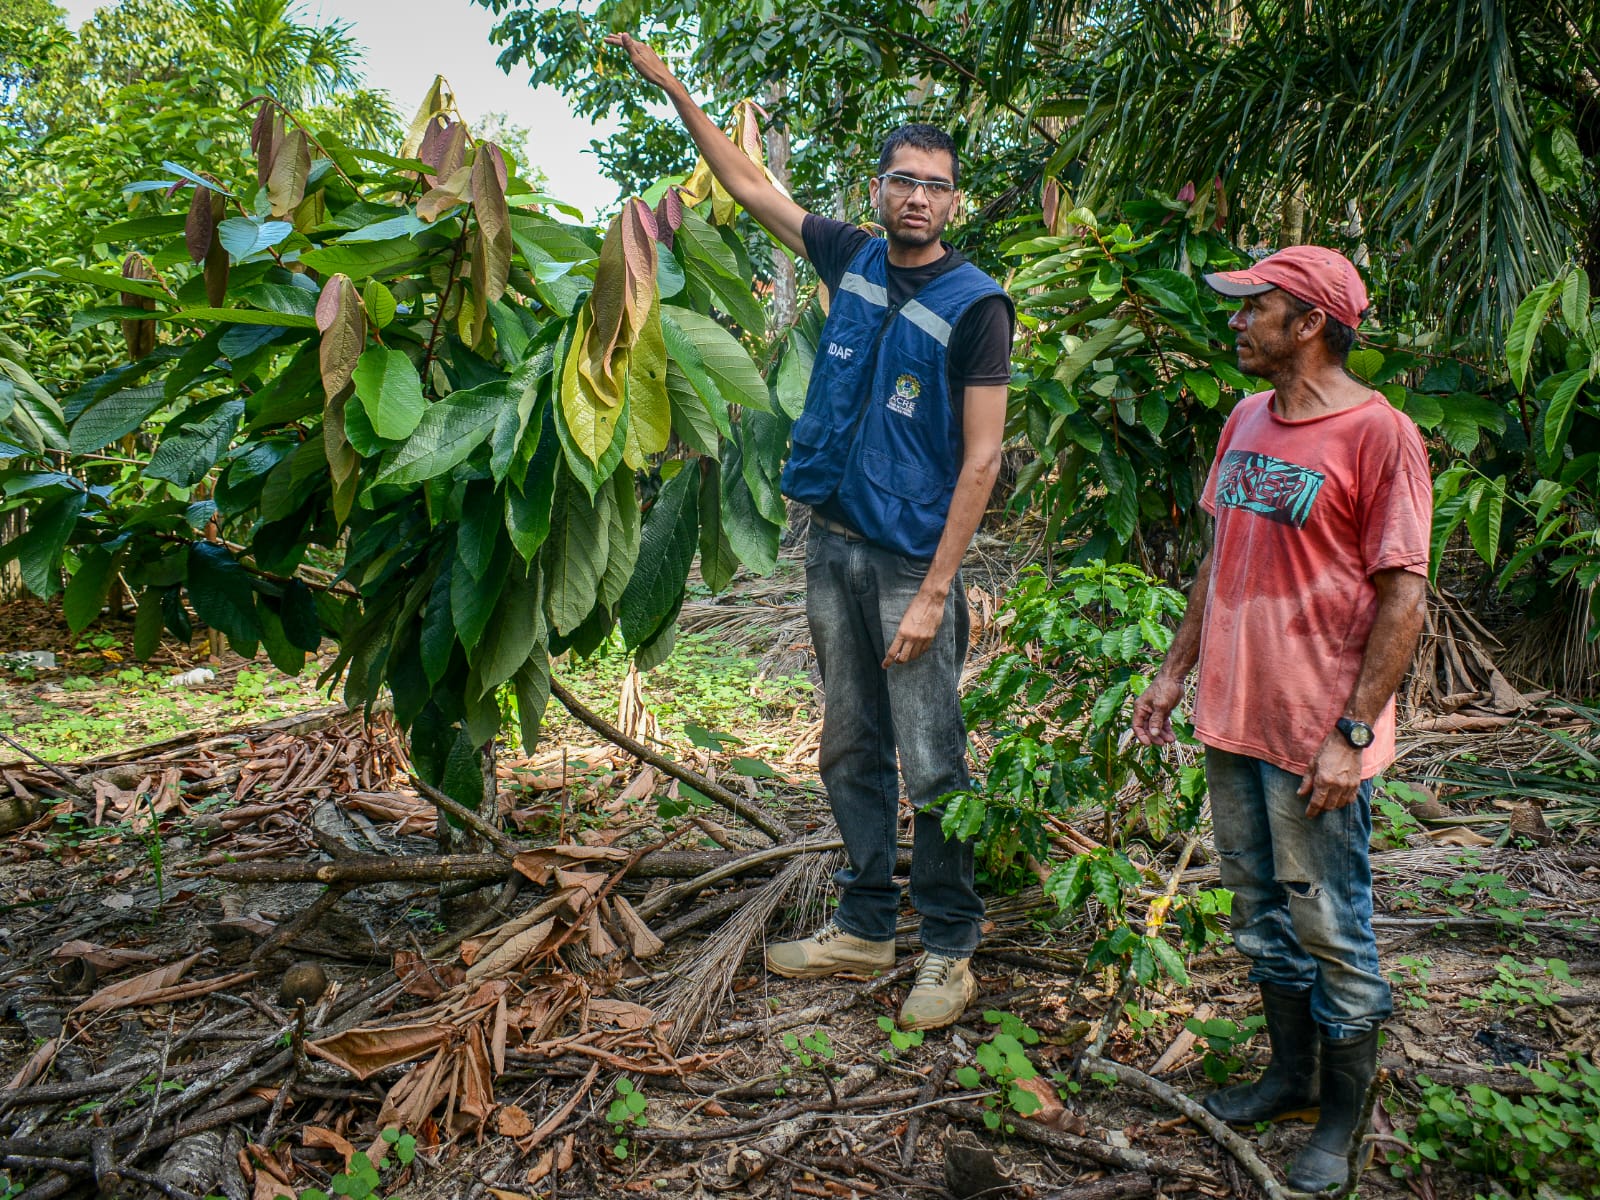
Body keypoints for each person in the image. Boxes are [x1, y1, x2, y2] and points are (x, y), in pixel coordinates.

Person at [605, 33, 1014, 1031]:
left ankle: (950, 948)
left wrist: (932, 593)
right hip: (830, 544)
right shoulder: (848, 255)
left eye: (936, 187)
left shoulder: (976, 305)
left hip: (909, 564)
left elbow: (984, 460)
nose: (917, 198)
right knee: (849, 743)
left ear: (953, 203)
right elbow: (746, 185)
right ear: (876, 190)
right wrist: (677, 91)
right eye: (902, 181)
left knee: (933, 756)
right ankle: (867, 923)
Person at [1132, 245, 1430, 1190]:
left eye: (1252, 307)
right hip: (1233, 717)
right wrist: (1176, 672)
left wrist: (1352, 735)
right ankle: (1289, 1077)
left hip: (1314, 736)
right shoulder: (1246, 420)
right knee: (1261, 914)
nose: (1236, 322)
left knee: (1332, 926)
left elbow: (1403, 598)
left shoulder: (1379, 436)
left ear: (1308, 324)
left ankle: (1340, 1123)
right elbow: (1219, 560)